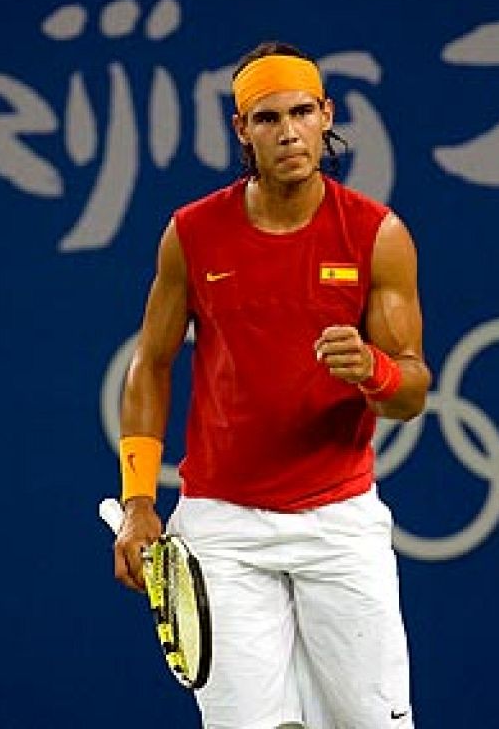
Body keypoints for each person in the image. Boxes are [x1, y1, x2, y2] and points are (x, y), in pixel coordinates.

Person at [112, 41, 428, 727]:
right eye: (266, 118)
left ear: (326, 116)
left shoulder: (378, 235)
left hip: (339, 520)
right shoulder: (191, 234)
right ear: (241, 130)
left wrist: (372, 369)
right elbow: (151, 365)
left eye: (302, 113)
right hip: (223, 525)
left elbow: (412, 388)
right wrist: (139, 501)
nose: (287, 132)